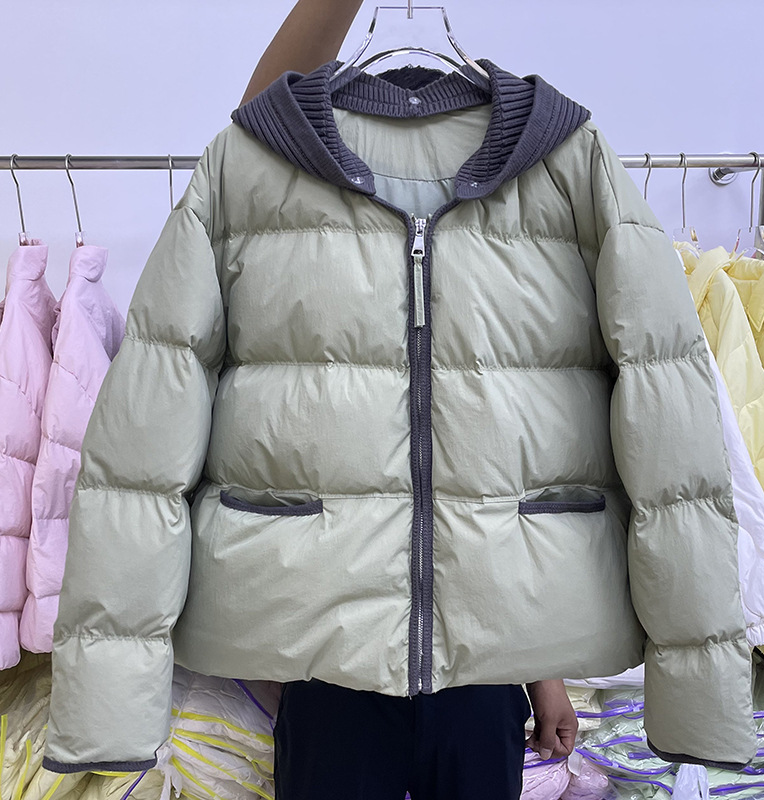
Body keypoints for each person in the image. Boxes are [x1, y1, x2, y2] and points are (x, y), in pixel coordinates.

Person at [237, 2, 578, 798]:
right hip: (334, 660)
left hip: (477, 665)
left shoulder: (515, 246)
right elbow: (257, 120)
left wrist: (545, 675)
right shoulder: (292, 225)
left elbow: (513, 484)